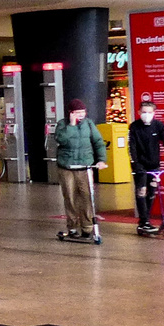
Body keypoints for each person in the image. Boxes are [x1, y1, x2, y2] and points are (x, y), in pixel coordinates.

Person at [51, 100, 106, 243]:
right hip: (67, 167)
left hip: (85, 167)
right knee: (70, 197)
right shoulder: (62, 125)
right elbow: (61, 140)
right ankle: (72, 227)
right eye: (77, 113)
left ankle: (87, 227)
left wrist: (101, 160)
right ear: (71, 113)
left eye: (83, 112)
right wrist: (71, 125)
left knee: (87, 197)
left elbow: (98, 142)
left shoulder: (89, 124)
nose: (81, 115)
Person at [129, 98, 164, 238]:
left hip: (154, 165)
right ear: (139, 112)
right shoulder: (134, 127)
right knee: (141, 191)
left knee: (152, 191)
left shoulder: (159, 126)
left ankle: (145, 219)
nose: (146, 114)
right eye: (144, 112)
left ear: (154, 113)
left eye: (149, 112)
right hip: (140, 165)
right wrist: (136, 164)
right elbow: (131, 147)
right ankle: (144, 221)